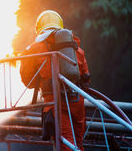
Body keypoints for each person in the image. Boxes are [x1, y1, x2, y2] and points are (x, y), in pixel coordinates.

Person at [20, 10, 90, 150]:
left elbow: (28, 81)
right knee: (78, 143)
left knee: (66, 144)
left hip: (55, 102)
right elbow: (86, 77)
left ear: (39, 29)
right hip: (77, 102)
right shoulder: (75, 47)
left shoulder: (34, 48)